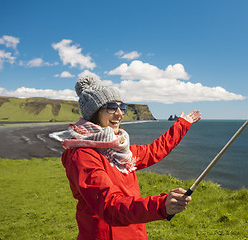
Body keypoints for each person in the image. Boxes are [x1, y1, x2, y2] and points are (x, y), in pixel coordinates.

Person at [61, 76, 201, 240]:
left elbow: (154, 150)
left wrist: (181, 125)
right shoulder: (83, 156)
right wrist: (161, 205)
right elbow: (110, 206)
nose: (120, 114)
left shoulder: (119, 150)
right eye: (112, 107)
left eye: (122, 107)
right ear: (94, 112)